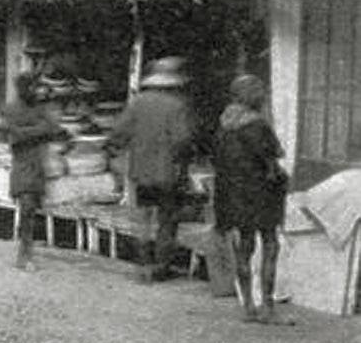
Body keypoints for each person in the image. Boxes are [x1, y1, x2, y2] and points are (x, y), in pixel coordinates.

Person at [108, 56, 196, 283]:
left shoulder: (138, 102)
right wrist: (184, 164)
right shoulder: (177, 106)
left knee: (144, 218)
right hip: (167, 172)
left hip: (141, 170)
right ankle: (161, 266)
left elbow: (118, 133)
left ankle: (142, 267)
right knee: (167, 220)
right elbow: (183, 139)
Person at [213, 74, 288, 323]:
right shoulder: (257, 124)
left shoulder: (224, 122)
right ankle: (268, 307)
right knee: (270, 244)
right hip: (261, 193)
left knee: (244, 246)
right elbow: (273, 159)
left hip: (233, 193)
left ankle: (248, 306)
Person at [0, 73, 67, 271]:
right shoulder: (11, 108)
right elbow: (16, 137)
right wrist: (37, 131)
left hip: (38, 165)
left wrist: (21, 130)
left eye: (35, 87)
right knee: (27, 208)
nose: (34, 91)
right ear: (21, 89)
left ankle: (27, 251)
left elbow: (52, 129)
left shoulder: (40, 108)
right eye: (30, 87)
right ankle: (24, 254)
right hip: (22, 166)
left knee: (32, 210)